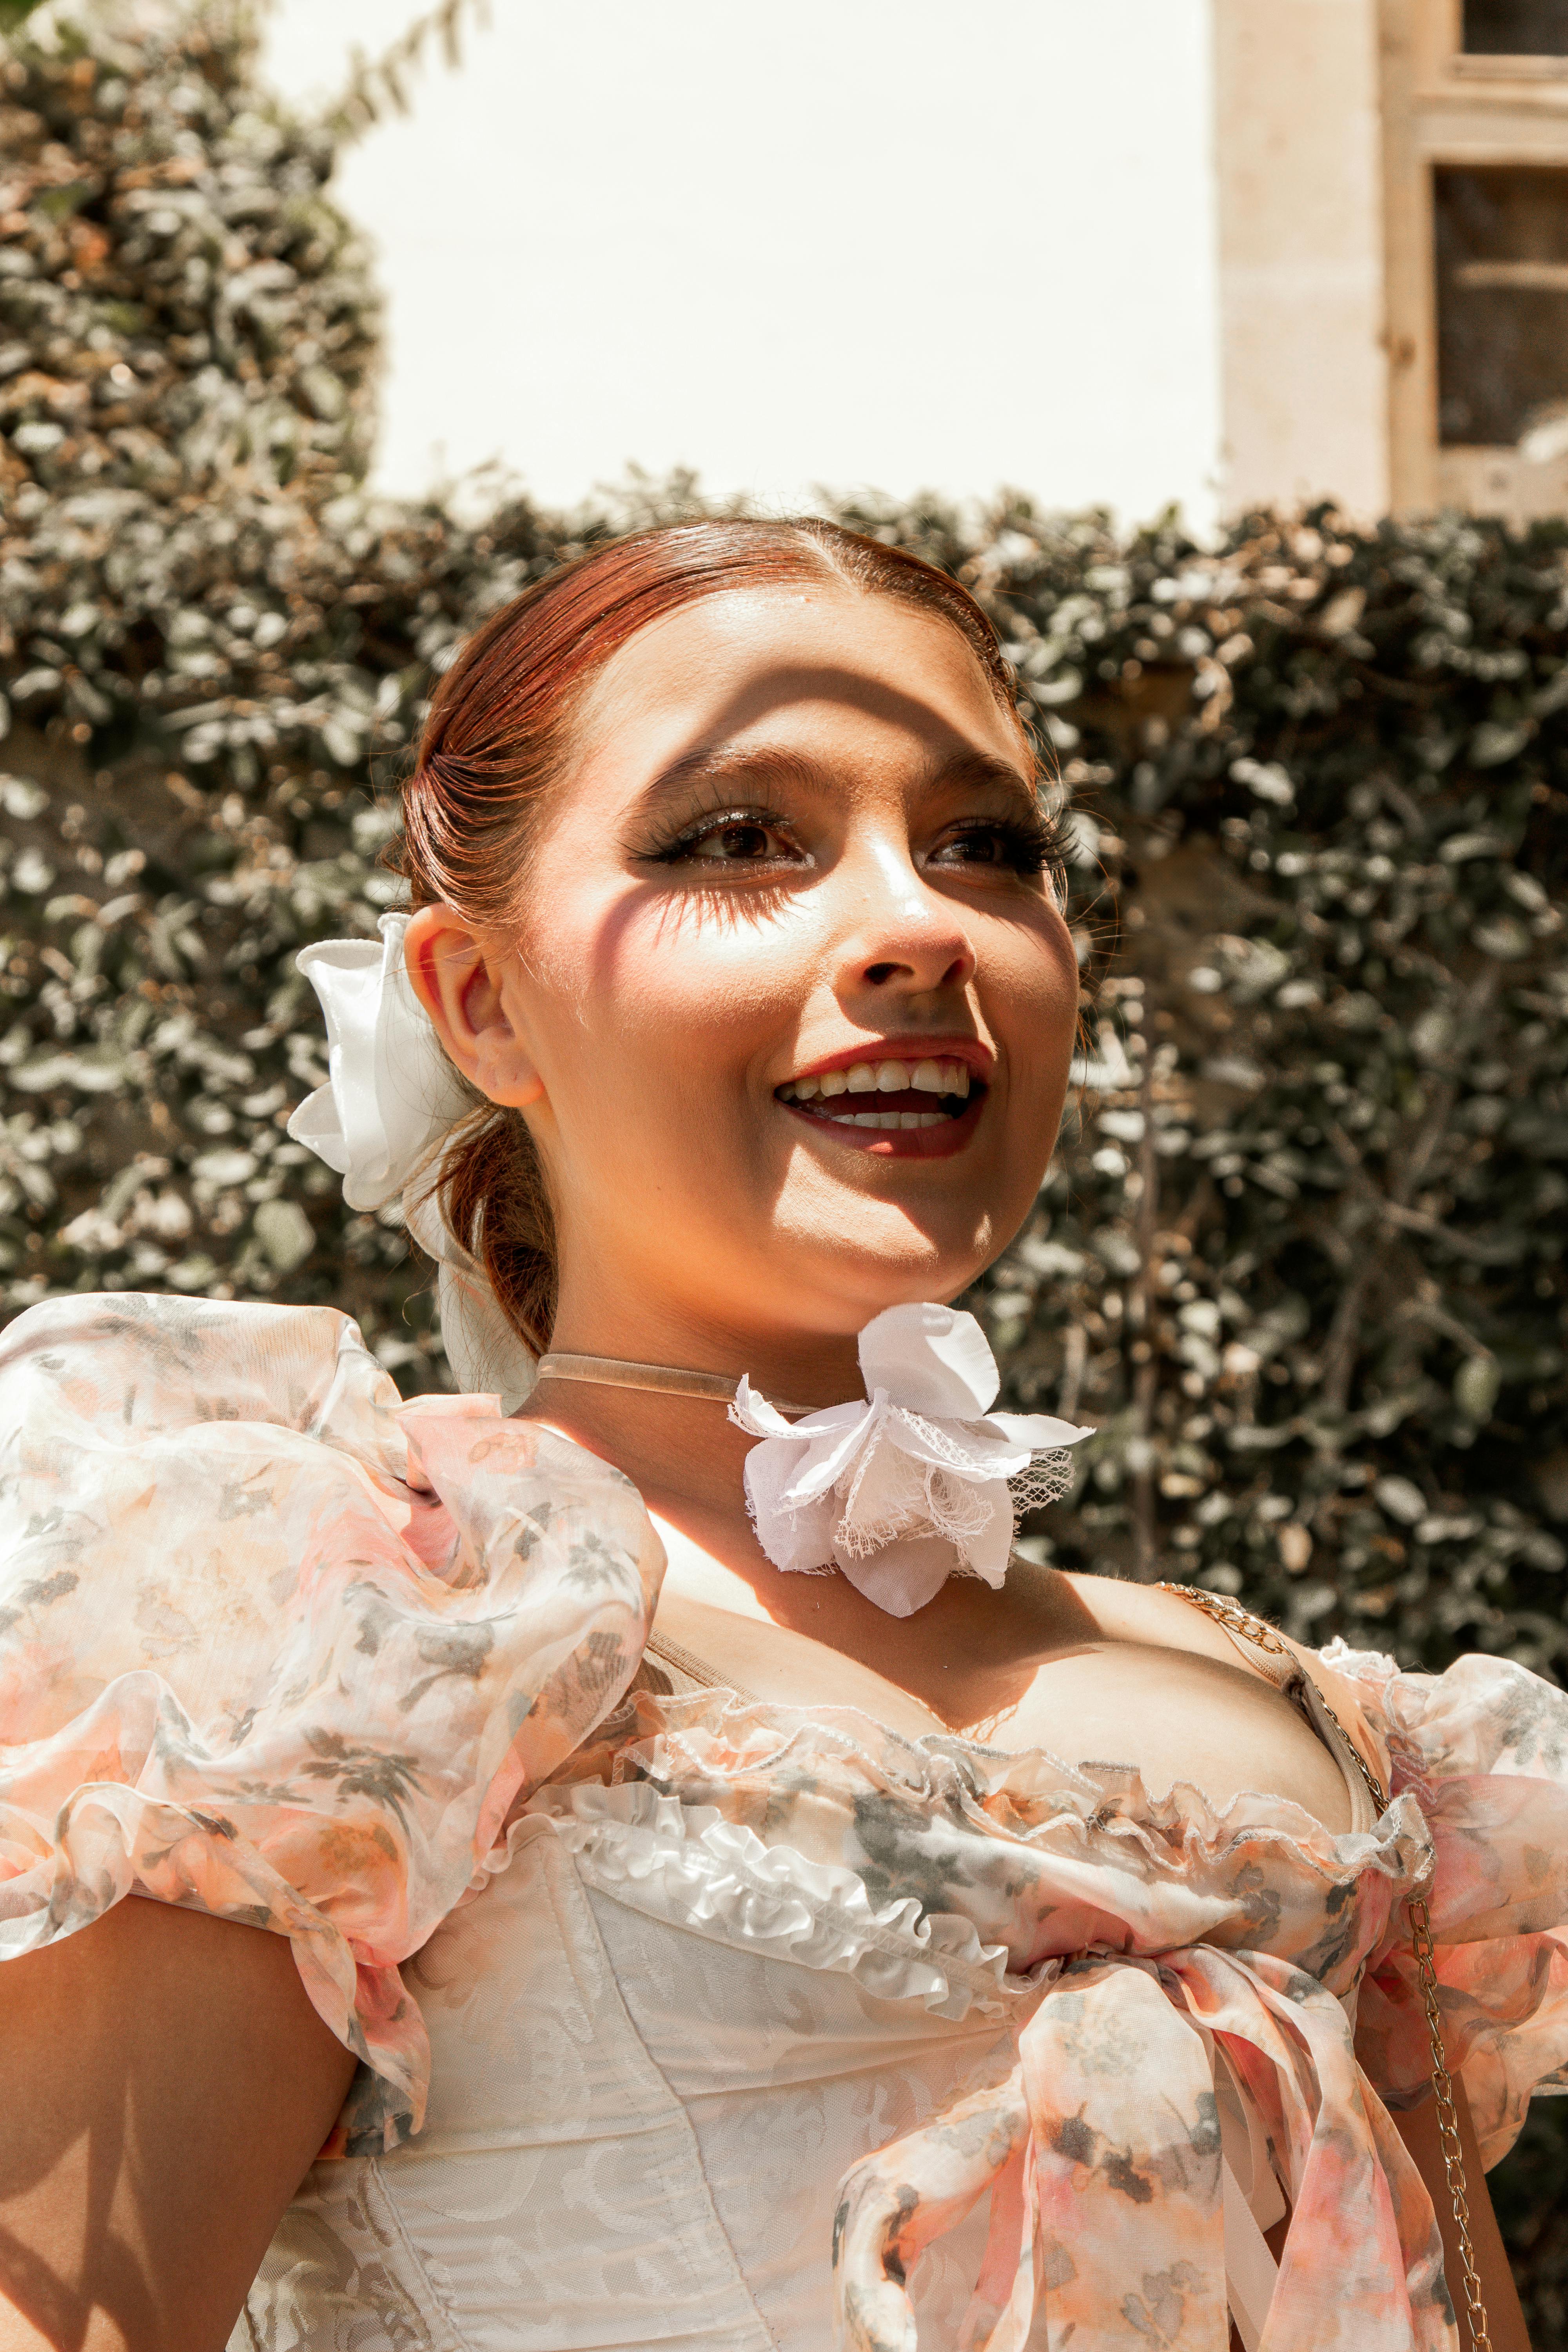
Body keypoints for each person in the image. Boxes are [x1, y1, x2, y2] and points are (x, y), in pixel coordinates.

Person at [0, 518, 1557, 2352]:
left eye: (991, 845)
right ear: (477, 1001)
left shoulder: (1325, 1720)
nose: (917, 924)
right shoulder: (332, 1635)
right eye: (740, 840)